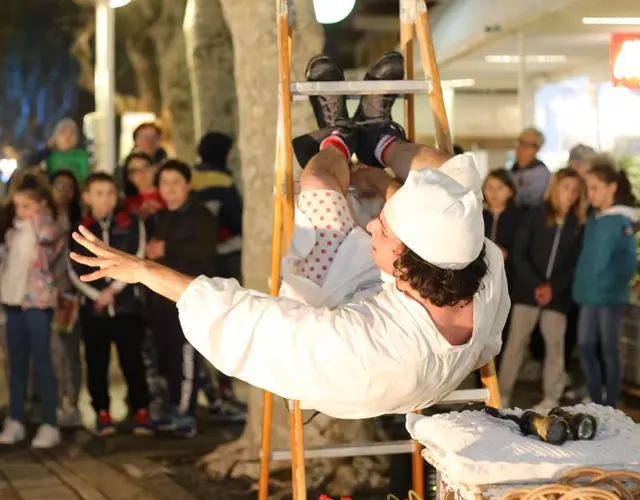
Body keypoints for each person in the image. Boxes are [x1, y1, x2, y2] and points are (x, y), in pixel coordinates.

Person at [69, 52, 510, 419]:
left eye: (383, 228)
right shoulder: (481, 267)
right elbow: (451, 193)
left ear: (405, 264)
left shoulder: (360, 344)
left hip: (341, 324)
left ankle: (335, 138)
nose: (371, 223)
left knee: (318, 184)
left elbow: (248, 320)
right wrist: (385, 186)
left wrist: (144, 270)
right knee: (453, 176)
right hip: (394, 319)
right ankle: (377, 136)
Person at [68, 173, 153, 436]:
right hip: (94, 311)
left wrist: (115, 289)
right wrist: (97, 296)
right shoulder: (80, 227)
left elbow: (138, 256)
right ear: (87, 196)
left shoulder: (131, 223)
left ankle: (141, 410)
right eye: (99, 192)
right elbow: (73, 267)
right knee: (96, 362)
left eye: (110, 192)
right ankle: (102, 413)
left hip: (127, 306)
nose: (105, 198)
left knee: (132, 359)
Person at [499, 168, 586, 410]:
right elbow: (519, 253)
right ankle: (502, 395)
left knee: (555, 346)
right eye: (566, 188)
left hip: (557, 296)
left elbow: (573, 264)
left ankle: (551, 397)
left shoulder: (577, 223)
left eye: (575, 190)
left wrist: (552, 288)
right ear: (555, 188)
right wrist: (536, 284)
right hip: (527, 291)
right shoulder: (536, 215)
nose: (571, 194)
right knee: (515, 343)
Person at [146, 160, 219, 437]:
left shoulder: (201, 216)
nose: (170, 189)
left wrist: (167, 247)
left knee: (188, 356)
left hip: (193, 299)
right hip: (163, 301)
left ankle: (186, 412)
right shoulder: (159, 218)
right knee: (170, 358)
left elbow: (205, 249)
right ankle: (178, 407)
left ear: (188, 186)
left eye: (176, 182)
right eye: (165, 183)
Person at [0, 176, 63, 448]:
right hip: (12, 303)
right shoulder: (12, 233)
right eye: (18, 206)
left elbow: (50, 243)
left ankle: (50, 422)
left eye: (26, 206)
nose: (20, 211)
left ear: (40, 205)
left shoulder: (47, 231)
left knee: (42, 361)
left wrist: (39, 219)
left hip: (37, 303)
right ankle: (15, 419)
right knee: (16, 364)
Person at [573, 157, 638, 408]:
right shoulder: (594, 219)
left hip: (608, 298)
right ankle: (596, 398)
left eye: (595, 188)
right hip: (589, 295)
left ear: (612, 187)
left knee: (609, 350)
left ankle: (610, 402)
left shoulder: (620, 221)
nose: (590, 194)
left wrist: (611, 285)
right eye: (588, 188)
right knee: (586, 348)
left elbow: (627, 264)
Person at [49, 170, 84, 427]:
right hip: (43, 295)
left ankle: (71, 403)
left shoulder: (79, 221)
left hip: (69, 295)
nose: (64, 190)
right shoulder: (43, 218)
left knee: (69, 350)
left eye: (69, 186)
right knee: (52, 351)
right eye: (58, 185)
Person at [192, 131, 243, 282]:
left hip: (195, 252)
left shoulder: (189, 177)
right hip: (224, 253)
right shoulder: (224, 182)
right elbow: (237, 221)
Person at [24, 119, 91, 186]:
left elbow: (86, 179)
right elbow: (27, 162)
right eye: (63, 132)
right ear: (56, 137)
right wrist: (48, 148)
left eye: (71, 133)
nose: (67, 137)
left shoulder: (83, 156)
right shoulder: (50, 156)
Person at [482, 169, 520, 262]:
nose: (494, 193)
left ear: (510, 192)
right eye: (489, 187)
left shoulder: (520, 217)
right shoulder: (478, 216)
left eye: (500, 188)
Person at [510, 127, 551, 210]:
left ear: (537, 149)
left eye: (528, 145)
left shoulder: (540, 172)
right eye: (520, 142)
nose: (522, 148)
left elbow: (530, 199)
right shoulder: (512, 171)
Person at [121, 151, 164, 220]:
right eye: (134, 170)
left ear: (154, 169)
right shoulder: (125, 204)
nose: (141, 173)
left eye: (146, 167)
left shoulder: (167, 194)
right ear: (129, 177)